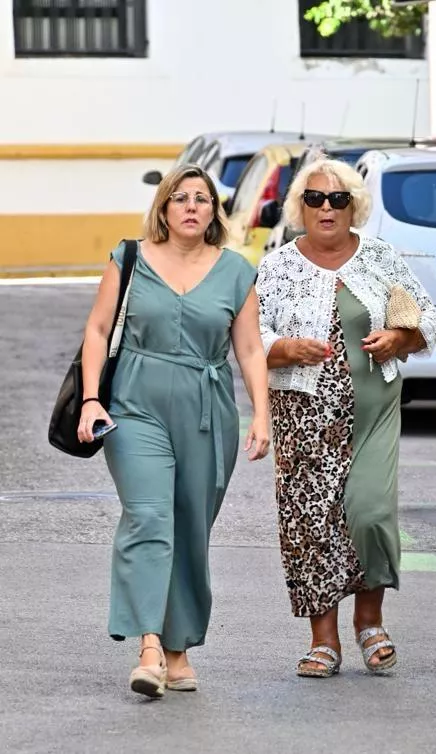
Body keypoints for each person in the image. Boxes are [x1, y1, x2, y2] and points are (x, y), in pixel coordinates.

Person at [77, 164, 271, 698]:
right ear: (163, 208)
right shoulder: (131, 258)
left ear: (214, 211)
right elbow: (97, 329)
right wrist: (91, 398)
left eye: (202, 199)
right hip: (134, 403)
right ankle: (148, 647)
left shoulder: (235, 270)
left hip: (207, 408)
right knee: (148, 516)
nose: (191, 206)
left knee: (189, 525)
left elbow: (250, 348)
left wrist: (261, 412)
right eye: (180, 198)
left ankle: (179, 647)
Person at [256, 157, 436, 678]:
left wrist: (399, 338)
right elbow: (251, 338)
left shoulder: (380, 256)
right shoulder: (278, 266)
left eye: (338, 199)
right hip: (302, 412)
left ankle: (370, 620)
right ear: (300, 208)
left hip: (371, 410)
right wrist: (287, 347)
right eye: (315, 199)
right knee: (311, 524)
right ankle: (323, 639)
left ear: (354, 206)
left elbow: (427, 316)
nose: (327, 208)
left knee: (370, 512)